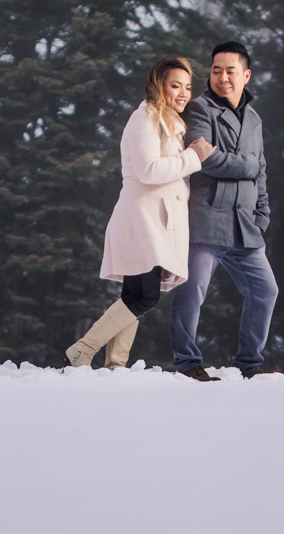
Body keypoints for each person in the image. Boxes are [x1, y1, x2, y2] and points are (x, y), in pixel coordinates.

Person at [65, 57, 215, 369]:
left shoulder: (169, 121)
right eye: (175, 85)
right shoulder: (146, 116)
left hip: (154, 219)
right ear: (159, 85)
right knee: (144, 296)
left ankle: (116, 362)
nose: (183, 93)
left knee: (134, 293)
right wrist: (193, 157)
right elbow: (149, 169)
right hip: (143, 217)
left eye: (188, 87)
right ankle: (83, 349)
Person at [168, 42, 279, 381]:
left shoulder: (255, 119)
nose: (222, 77)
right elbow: (204, 157)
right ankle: (187, 362)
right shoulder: (200, 110)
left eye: (230, 71)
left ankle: (249, 364)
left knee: (265, 291)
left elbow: (260, 171)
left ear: (245, 75)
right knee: (192, 292)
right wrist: (244, 165)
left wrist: (262, 215)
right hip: (207, 218)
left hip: (246, 225)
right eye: (216, 70)